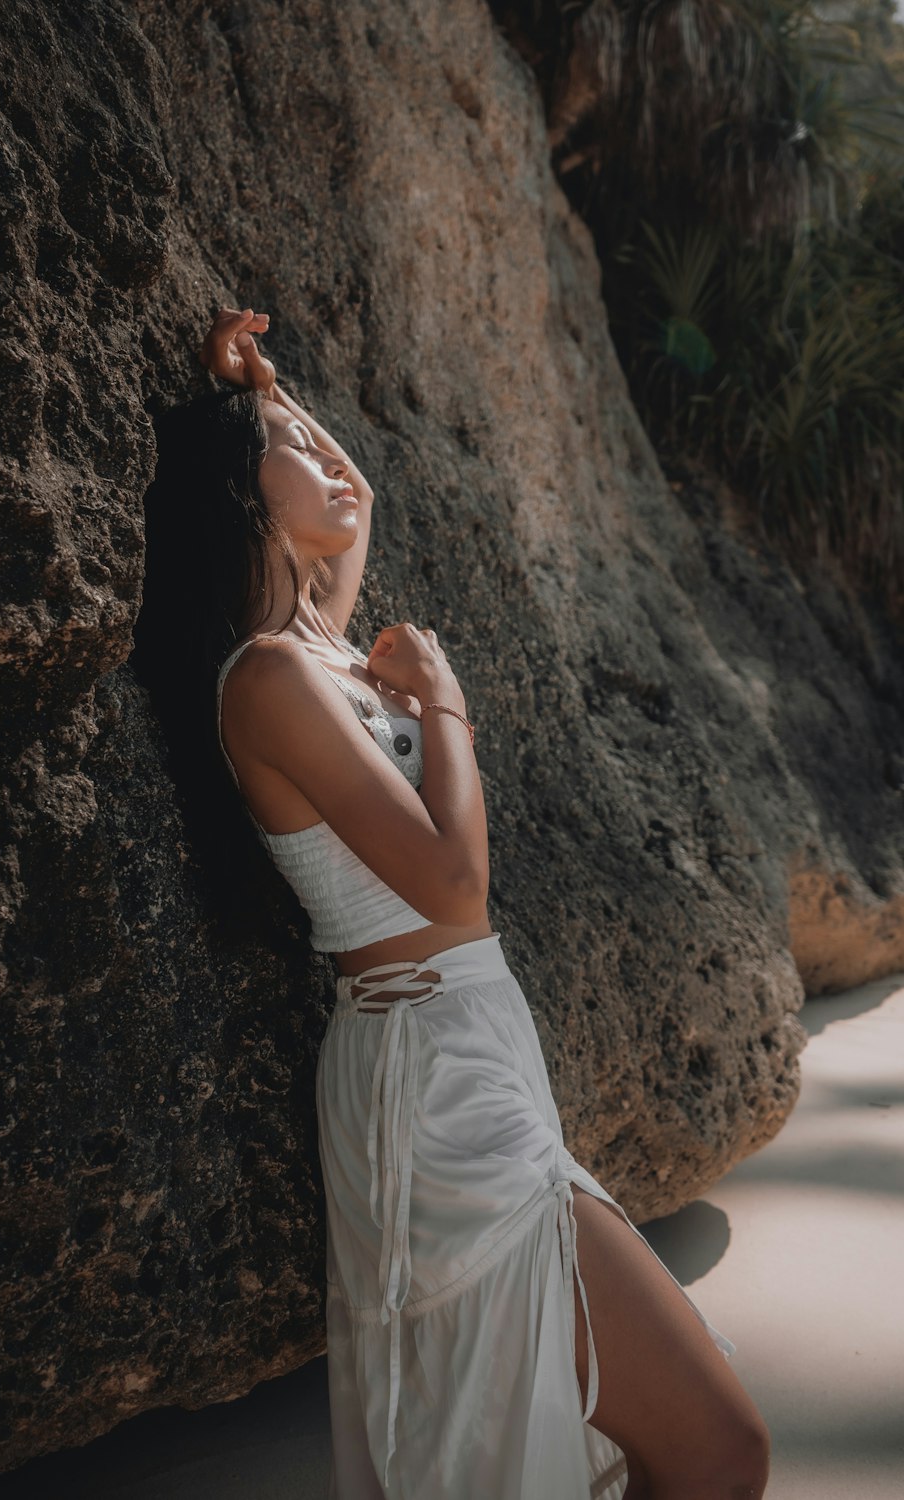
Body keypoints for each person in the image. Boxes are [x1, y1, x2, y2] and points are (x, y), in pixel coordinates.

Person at [180, 306, 770, 1499]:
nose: (325, 455)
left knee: (631, 1440)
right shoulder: (267, 678)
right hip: (425, 1066)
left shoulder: (327, 657)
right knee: (719, 1449)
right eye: (289, 441)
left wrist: (274, 386)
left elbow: (363, 503)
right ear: (238, 488)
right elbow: (453, 879)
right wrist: (444, 700)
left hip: (470, 1041)